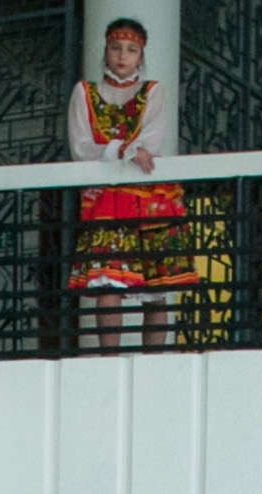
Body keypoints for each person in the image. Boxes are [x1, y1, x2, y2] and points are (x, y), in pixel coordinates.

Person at [67, 16, 193, 350]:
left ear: (141, 56)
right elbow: (81, 146)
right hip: (107, 200)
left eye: (131, 50)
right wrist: (124, 150)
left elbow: (150, 141)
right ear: (106, 51)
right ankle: (110, 362)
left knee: (156, 286)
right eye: (116, 48)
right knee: (107, 282)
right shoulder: (85, 93)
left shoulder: (152, 91)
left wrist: (125, 152)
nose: (123, 56)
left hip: (149, 197)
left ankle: (152, 364)